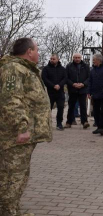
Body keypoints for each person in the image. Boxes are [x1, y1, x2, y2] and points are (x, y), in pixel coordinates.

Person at [0, 38, 52, 216]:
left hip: (25, 136)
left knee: (18, 176)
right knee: (11, 177)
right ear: (29, 51)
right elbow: (11, 99)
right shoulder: (13, 69)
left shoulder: (23, 69)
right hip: (15, 136)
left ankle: (12, 210)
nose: (38, 53)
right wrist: (21, 127)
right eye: (36, 50)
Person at [41, 53, 67, 131]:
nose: (52, 60)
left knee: (61, 108)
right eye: (51, 59)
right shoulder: (46, 69)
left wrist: (59, 85)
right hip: (50, 92)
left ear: (58, 59)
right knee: (48, 108)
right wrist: (53, 86)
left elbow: (65, 78)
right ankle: (46, 124)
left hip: (60, 92)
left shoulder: (62, 69)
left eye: (54, 59)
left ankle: (59, 123)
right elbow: (44, 79)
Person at [65, 53, 90, 129]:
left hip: (82, 89)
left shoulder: (86, 66)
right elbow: (66, 78)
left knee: (83, 106)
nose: (77, 59)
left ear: (81, 58)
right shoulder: (69, 66)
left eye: (78, 57)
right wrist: (73, 84)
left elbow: (89, 78)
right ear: (73, 58)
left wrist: (83, 84)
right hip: (72, 89)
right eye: (75, 57)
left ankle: (84, 122)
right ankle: (69, 122)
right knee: (71, 106)